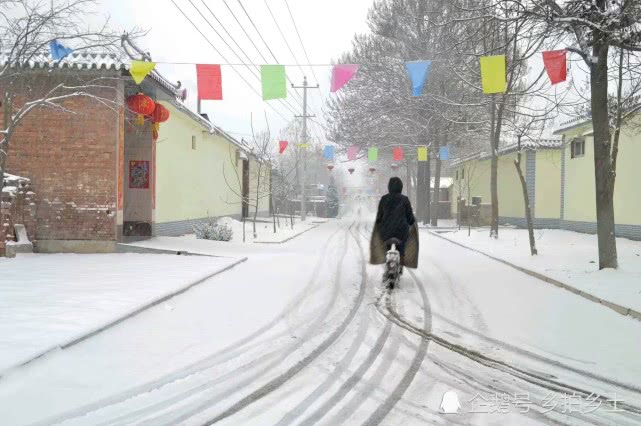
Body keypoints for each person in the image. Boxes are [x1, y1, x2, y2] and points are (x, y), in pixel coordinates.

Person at [370, 177, 419, 272]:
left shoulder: (384, 199)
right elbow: (410, 217)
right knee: (402, 247)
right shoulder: (405, 199)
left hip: (386, 231)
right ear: (401, 187)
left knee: (387, 246)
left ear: (389, 187)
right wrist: (411, 221)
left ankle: (387, 262)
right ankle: (400, 264)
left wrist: (380, 223)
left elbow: (379, 216)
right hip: (401, 231)